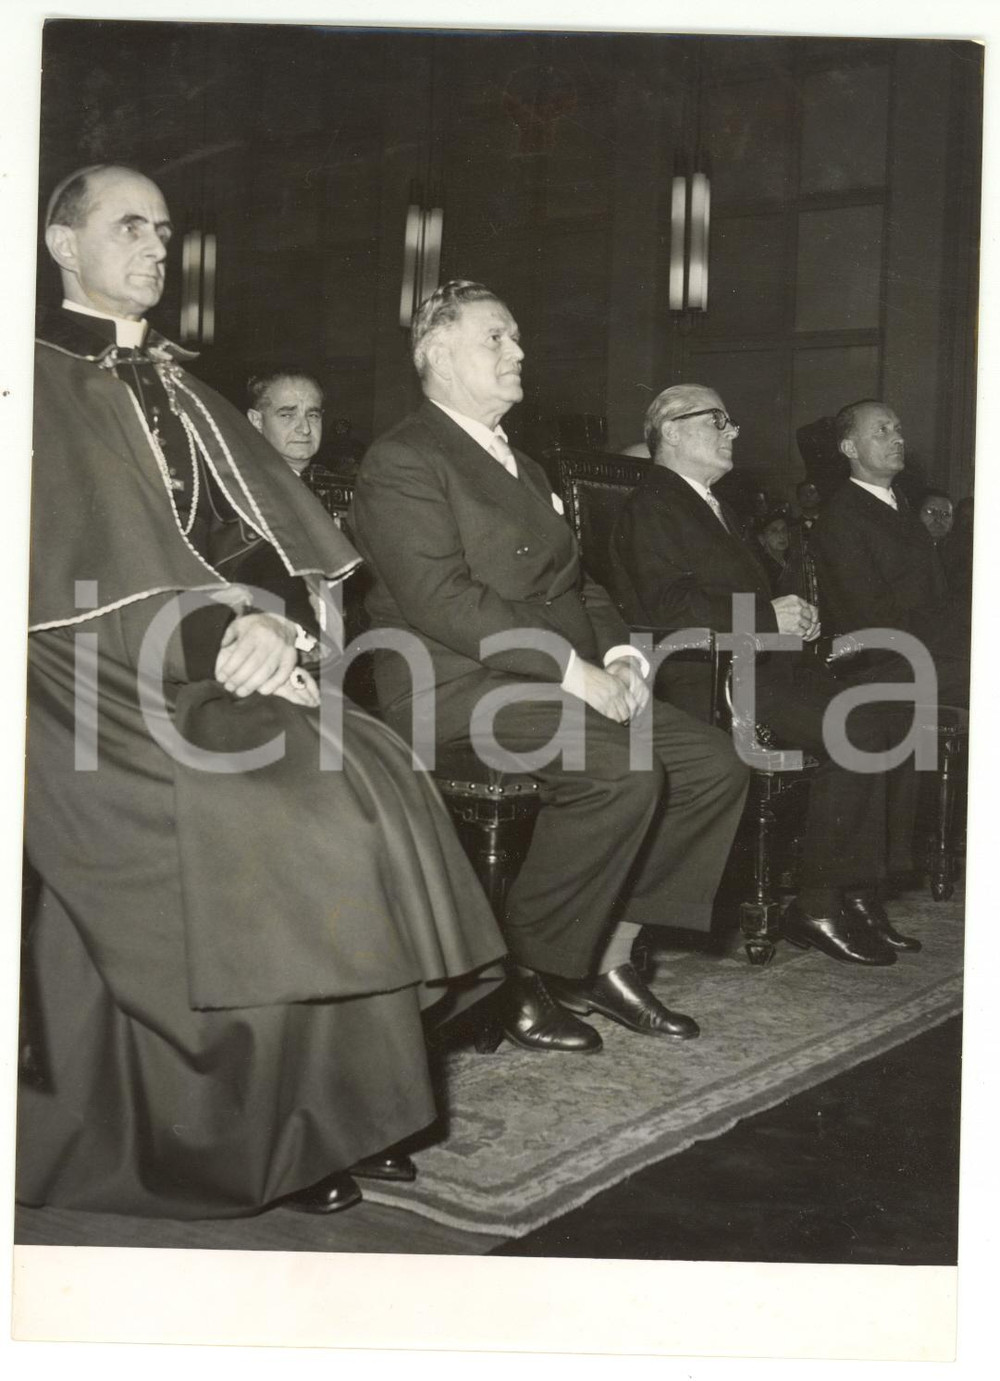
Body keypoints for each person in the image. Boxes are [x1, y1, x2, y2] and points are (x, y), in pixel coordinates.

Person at [20, 165, 505, 1220]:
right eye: (129, 226)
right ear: (60, 246)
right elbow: (64, 573)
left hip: (207, 658)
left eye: (165, 229)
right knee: (283, 809)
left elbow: (269, 545)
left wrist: (276, 626)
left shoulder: (184, 384)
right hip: (75, 683)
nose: (157, 247)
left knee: (366, 769)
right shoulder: (27, 375)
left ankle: (356, 1105)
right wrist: (215, 629)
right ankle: (270, 1129)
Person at [350, 280, 749, 1054]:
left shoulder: (523, 467)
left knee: (712, 763)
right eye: (495, 338)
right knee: (619, 767)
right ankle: (523, 970)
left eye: (518, 337)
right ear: (434, 352)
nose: (518, 351)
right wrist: (575, 671)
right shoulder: (403, 458)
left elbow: (581, 582)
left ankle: (603, 952)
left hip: (550, 683)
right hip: (458, 687)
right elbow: (443, 601)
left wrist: (624, 656)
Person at [608, 384, 921, 966]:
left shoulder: (710, 504)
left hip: (756, 667)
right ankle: (819, 903)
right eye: (719, 420)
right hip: (705, 679)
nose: (734, 431)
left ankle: (853, 891)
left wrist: (791, 619)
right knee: (860, 726)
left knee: (888, 715)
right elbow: (666, 611)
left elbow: (734, 598)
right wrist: (765, 615)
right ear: (672, 430)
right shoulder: (654, 503)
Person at [811, 400, 970, 707]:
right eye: (881, 431)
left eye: (897, 429)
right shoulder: (841, 517)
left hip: (927, 647)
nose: (897, 438)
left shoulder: (899, 503)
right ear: (850, 449)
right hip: (885, 660)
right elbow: (872, 618)